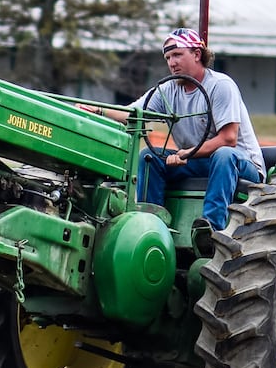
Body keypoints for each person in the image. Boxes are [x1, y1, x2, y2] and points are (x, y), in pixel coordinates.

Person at [82, 27, 264, 234]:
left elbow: (228, 139)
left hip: (240, 163)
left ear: (197, 54)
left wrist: (188, 152)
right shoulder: (168, 90)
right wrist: (97, 110)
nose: (172, 62)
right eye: (168, 57)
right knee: (150, 157)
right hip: (197, 160)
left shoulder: (221, 85)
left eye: (177, 55)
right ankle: (150, 226)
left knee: (223, 155)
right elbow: (133, 113)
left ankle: (210, 228)